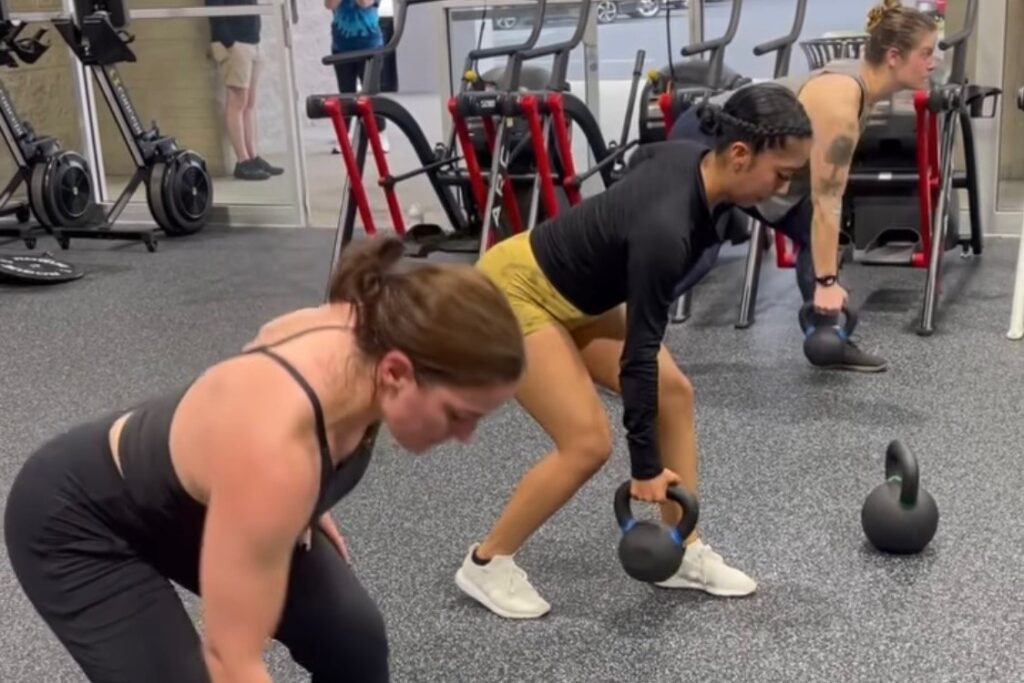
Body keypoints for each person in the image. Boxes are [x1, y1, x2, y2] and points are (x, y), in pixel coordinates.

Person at [4, 237, 525, 682]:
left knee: (353, 640)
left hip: (197, 490)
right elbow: (232, 660)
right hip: (78, 521)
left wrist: (303, 491)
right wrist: (278, 482)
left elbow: (259, 349)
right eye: (458, 414)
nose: (466, 437)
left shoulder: (369, 326)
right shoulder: (276, 453)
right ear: (394, 374)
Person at [456, 83, 814, 619]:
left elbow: (649, 155)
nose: (785, 188)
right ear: (740, 155)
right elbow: (639, 356)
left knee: (675, 393)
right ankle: (486, 563)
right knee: (586, 443)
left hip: (575, 293)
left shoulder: (690, 160)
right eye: (782, 175)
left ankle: (682, 548)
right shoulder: (665, 231)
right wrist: (646, 467)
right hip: (513, 292)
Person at [668, 0, 940, 373]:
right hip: (708, 136)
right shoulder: (842, 103)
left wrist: (824, 279)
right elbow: (828, 201)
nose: (934, 61)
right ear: (894, 56)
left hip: (758, 157)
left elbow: (820, 205)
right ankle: (618, 329)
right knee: (701, 251)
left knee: (814, 230)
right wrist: (828, 281)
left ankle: (825, 333)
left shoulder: (863, 87)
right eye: (926, 52)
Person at [206, 0, 285, 181]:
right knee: (237, 101)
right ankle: (242, 161)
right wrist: (229, 43)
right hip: (236, 43)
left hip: (252, 40)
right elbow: (213, 8)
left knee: (250, 102)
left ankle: (252, 156)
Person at [326, 0, 390, 153]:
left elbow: (364, 2)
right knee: (346, 92)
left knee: (371, 92)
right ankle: (344, 136)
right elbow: (330, 4)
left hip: (370, 44)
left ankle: (379, 133)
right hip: (341, 45)